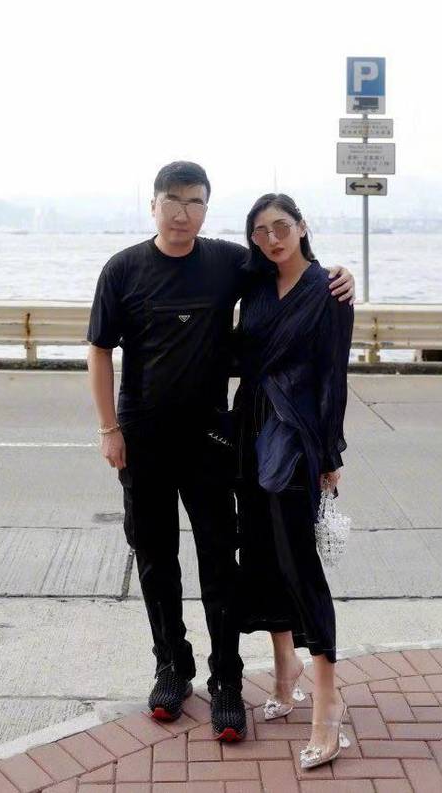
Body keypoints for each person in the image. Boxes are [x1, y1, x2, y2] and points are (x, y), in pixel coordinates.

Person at [86, 161, 354, 742]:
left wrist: (339, 274)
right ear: (153, 204)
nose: (182, 213)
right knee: (155, 557)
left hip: (210, 438)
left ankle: (226, 679)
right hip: (143, 437)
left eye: (195, 202)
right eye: (172, 200)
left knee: (218, 560)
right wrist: (109, 429)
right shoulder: (122, 269)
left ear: (206, 209)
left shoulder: (229, 261)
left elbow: (285, 265)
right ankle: (171, 668)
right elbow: (99, 349)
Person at [233, 192, 354, 769]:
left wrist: (329, 452)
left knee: (299, 561)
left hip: (295, 436)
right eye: (260, 231)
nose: (272, 239)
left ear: (303, 227)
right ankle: (285, 669)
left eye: (281, 227)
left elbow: (333, 377)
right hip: (249, 429)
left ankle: (327, 698)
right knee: (260, 553)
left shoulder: (329, 291)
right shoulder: (255, 287)